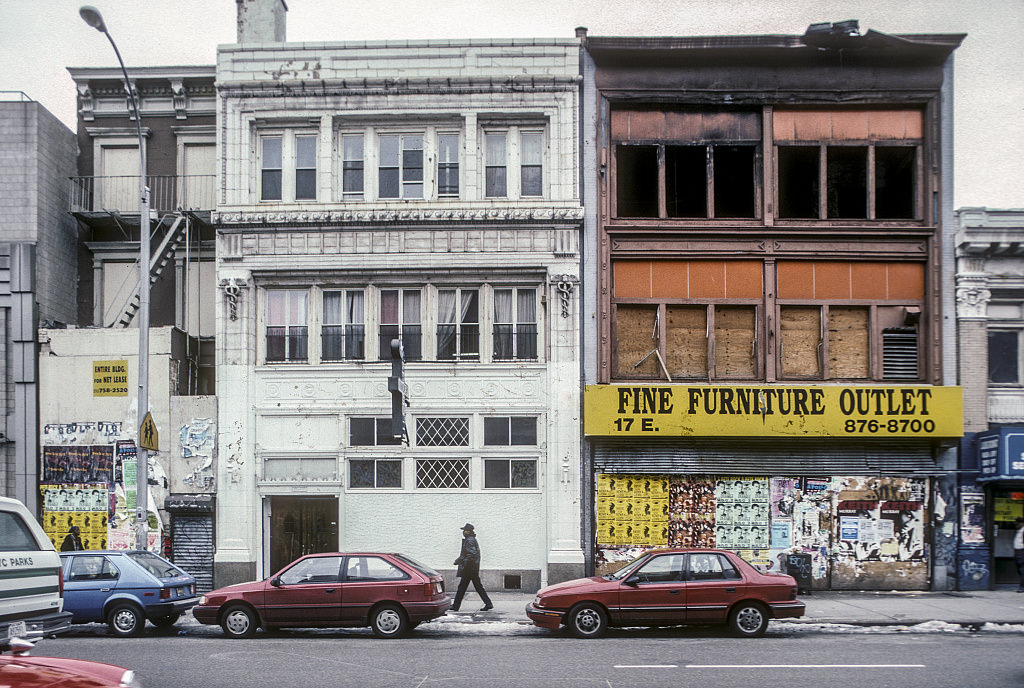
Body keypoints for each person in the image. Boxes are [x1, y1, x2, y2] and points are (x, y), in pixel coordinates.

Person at [451, 523, 493, 612]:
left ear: (468, 531)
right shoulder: (470, 539)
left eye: (464, 530)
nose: (463, 532)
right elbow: (466, 554)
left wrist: (464, 564)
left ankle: (455, 606)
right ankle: (488, 603)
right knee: (478, 587)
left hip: (469, 569)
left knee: (462, 587)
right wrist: (458, 561)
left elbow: (471, 554)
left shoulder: (469, 541)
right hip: (472, 568)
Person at [1014, 517, 1024, 592]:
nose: (1016, 525)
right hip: (1018, 551)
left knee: (1022, 569)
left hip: (1022, 551)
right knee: (1019, 569)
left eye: (1017, 524)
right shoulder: (1019, 530)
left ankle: (1022, 586)